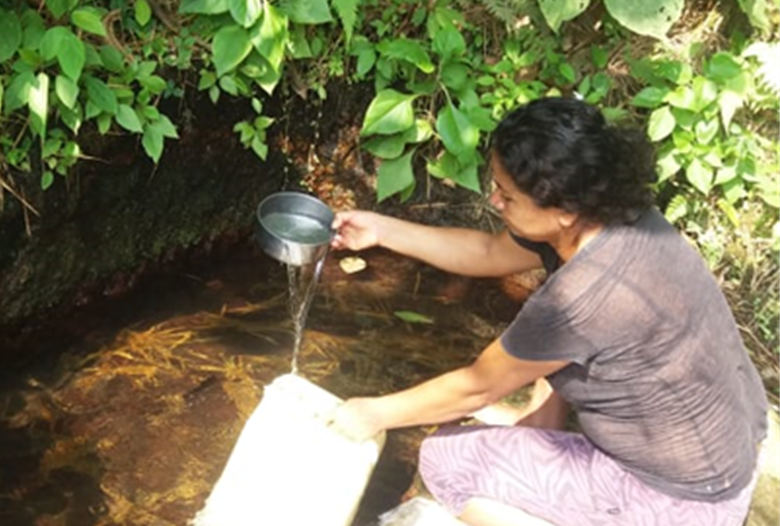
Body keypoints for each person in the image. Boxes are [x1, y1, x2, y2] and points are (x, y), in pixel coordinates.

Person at [326, 97, 769, 526]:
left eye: (507, 195)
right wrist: (380, 230)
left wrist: (371, 414)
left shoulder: (581, 298)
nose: (494, 201)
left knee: (445, 459)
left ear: (562, 209)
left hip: (682, 503)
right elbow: (485, 251)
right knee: (550, 357)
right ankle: (541, 434)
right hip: (726, 450)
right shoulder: (617, 215)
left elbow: (477, 388)